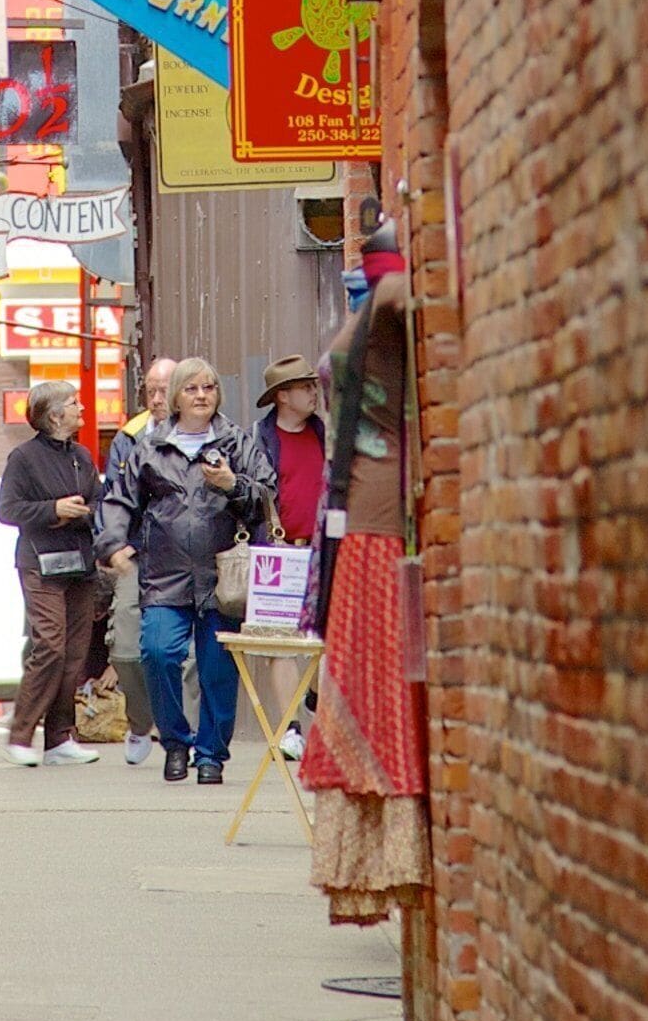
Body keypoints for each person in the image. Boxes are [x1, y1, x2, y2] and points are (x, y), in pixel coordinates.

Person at [302, 224, 426, 920]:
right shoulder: (371, 304)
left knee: (374, 680)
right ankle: (374, 866)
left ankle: (391, 859)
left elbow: (411, 301)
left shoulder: (385, 300)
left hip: (380, 518)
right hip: (357, 518)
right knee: (359, 678)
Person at [96, 357, 273, 784]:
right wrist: (114, 543)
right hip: (164, 575)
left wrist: (233, 485)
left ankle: (211, 754)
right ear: (175, 396)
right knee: (157, 653)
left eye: (209, 388)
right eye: (192, 389)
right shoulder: (150, 447)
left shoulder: (236, 443)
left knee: (217, 669)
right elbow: (119, 501)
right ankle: (176, 741)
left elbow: (266, 494)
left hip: (220, 577)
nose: (201, 396)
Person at [0, 382, 109, 766]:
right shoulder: (23, 458)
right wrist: (54, 510)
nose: (81, 407)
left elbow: (98, 499)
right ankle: (21, 733)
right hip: (40, 563)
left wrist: (88, 511)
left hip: (80, 562)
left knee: (75, 653)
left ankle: (60, 739)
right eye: (74, 402)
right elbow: (7, 510)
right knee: (50, 646)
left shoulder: (81, 455)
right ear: (54, 415)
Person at [251, 354, 328, 760]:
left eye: (313, 386)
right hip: (278, 551)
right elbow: (252, 495)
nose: (314, 393)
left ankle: (314, 695)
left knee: (326, 642)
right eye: (305, 387)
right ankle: (290, 729)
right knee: (280, 646)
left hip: (322, 551)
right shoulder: (260, 440)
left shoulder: (323, 434)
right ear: (283, 396)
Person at [109, 356, 176, 763]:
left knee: (179, 657)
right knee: (126, 650)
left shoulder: (204, 435)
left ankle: (179, 741)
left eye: (163, 390)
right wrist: (115, 542)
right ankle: (139, 722)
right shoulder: (128, 437)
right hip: (137, 554)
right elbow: (114, 496)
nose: (155, 398)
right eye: (150, 390)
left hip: (183, 557)